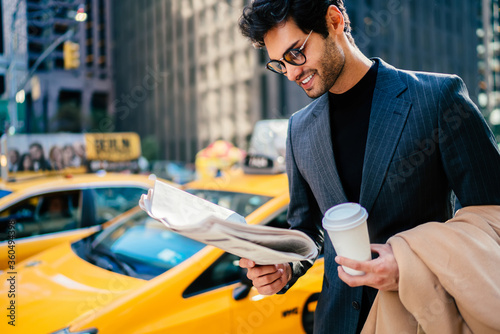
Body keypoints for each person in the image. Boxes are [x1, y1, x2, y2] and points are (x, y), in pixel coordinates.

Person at [237, 1, 500, 333]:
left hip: (422, 317)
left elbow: (493, 217)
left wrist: (410, 265)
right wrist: (285, 265)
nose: (290, 72)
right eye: (279, 64)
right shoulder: (298, 129)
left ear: (334, 20)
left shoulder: (437, 100)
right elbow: (306, 229)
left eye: (296, 54)